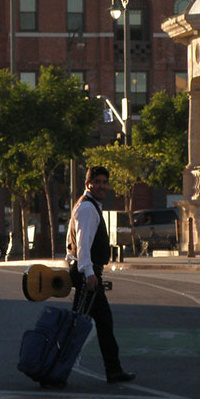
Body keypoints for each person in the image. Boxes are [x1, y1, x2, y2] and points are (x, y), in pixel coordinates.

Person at [67, 165, 135, 384]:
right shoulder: (87, 209)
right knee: (82, 326)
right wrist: (88, 273)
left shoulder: (88, 205)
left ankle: (113, 370)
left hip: (87, 272)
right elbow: (83, 244)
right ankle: (57, 365)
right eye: (97, 182)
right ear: (88, 184)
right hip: (88, 274)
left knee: (100, 322)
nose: (102, 186)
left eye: (105, 182)